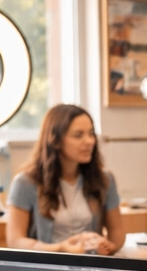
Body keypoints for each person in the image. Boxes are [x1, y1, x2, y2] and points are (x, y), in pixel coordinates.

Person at [8, 104, 126, 255]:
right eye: (78, 135)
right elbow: (15, 241)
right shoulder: (25, 182)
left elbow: (117, 232)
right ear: (55, 140)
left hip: (90, 266)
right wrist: (60, 248)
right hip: (49, 267)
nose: (89, 141)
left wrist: (107, 246)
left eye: (91, 133)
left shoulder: (105, 179)